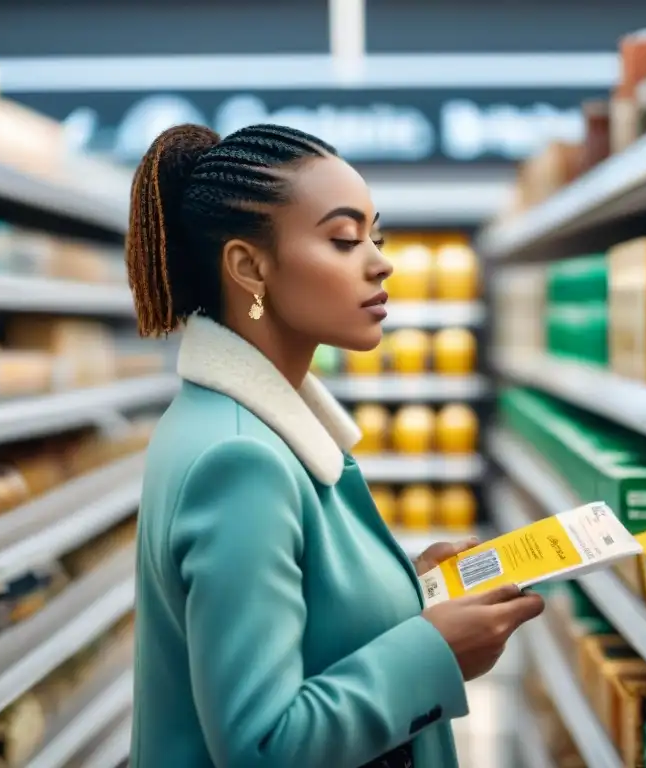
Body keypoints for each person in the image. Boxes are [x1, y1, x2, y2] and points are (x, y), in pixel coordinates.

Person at [125, 122, 546, 768]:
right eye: (344, 239)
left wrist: (409, 590)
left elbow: (299, 625)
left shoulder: (233, 424)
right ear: (248, 266)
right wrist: (437, 652)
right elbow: (264, 747)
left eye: (375, 236)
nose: (380, 261)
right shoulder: (240, 463)